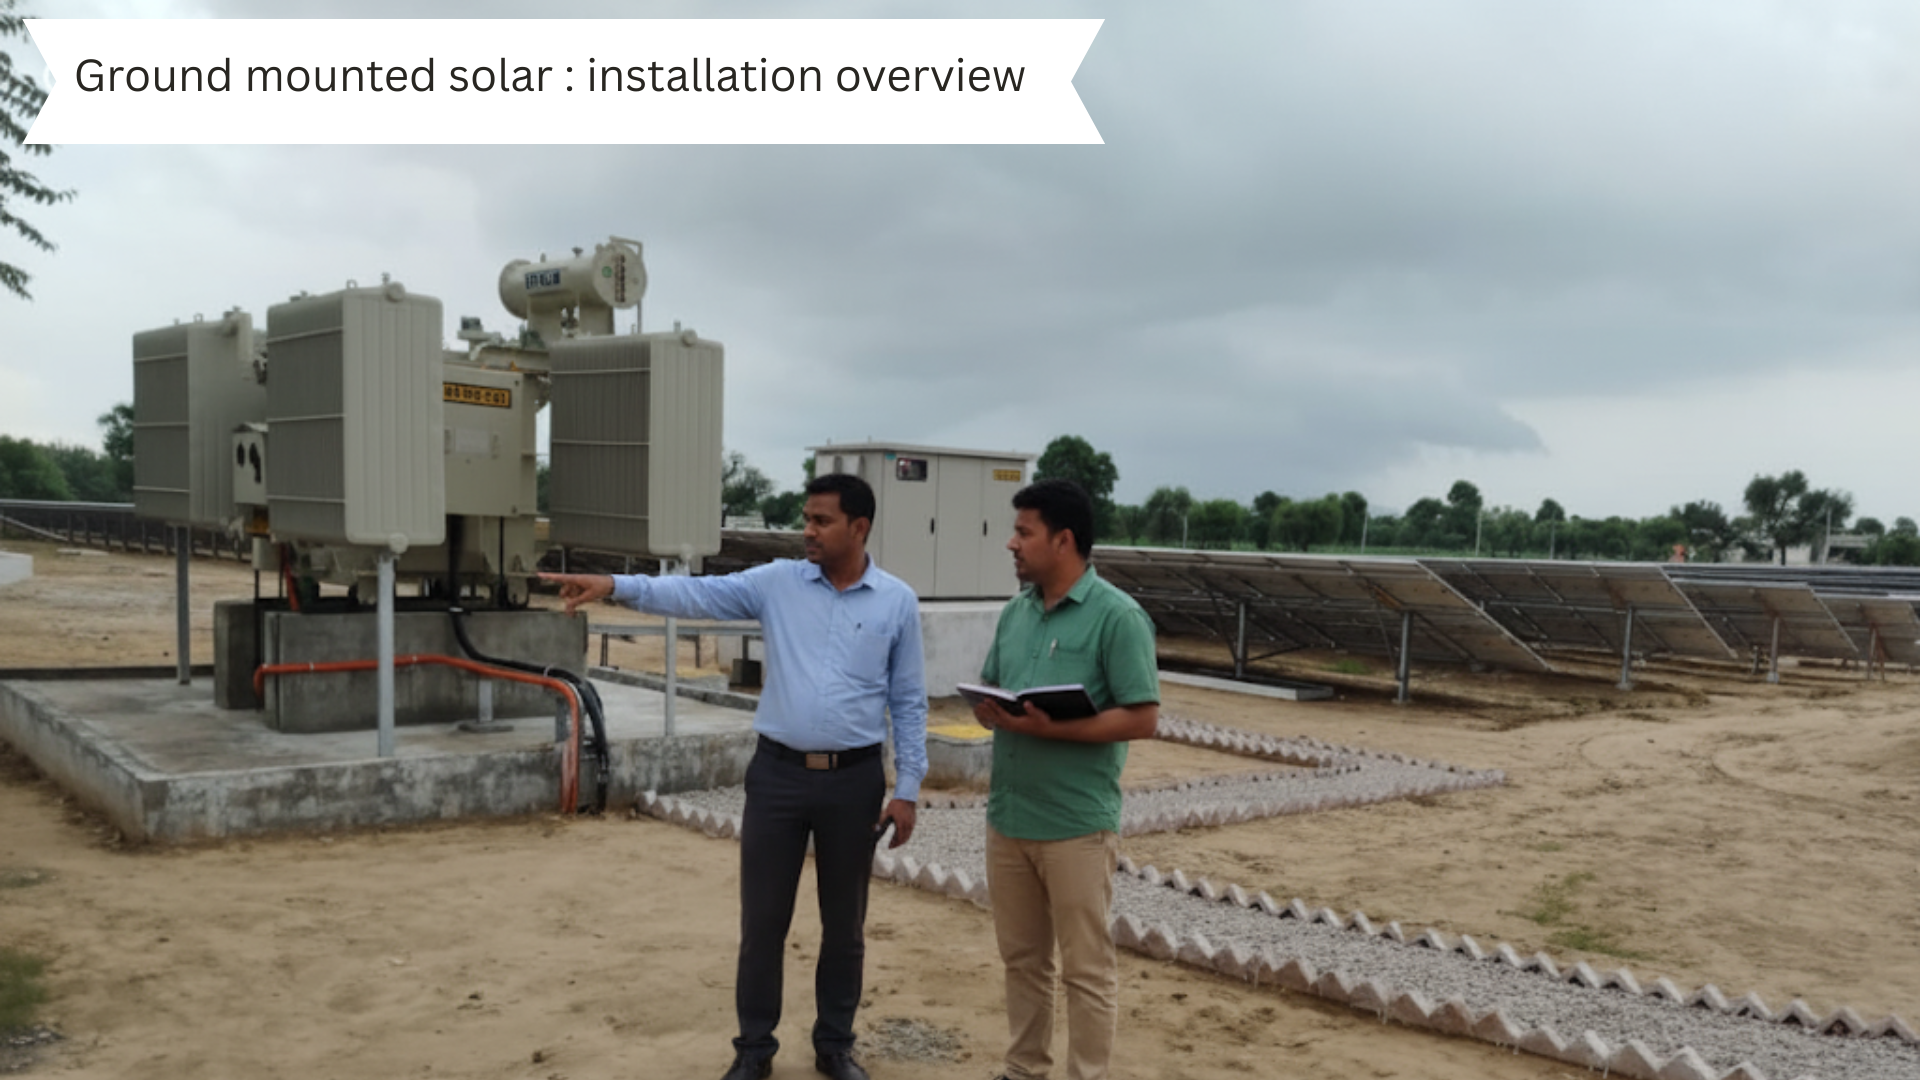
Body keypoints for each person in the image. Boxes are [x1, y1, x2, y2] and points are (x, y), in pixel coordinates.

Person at [542, 472, 926, 1080]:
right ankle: (753, 1050)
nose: (808, 531)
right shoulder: (777, 583)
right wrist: (616, 584)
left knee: (844, 926)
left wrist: (907, 790)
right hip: (777, 777)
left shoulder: (896, 601)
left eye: (821, 521)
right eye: (806, 518)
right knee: (764, 921)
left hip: (854, 783)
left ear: (859, 527)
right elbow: (696, 596)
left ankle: (834, 1045)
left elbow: (908, 702)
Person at [969, 478, 1160, 1080]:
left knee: (1085, 968)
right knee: (1023, 960)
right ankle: (1024, 1068)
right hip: (1010, 818)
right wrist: (989, 709)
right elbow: (994, 682)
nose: (1012, 544)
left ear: (1064, 540)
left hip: (1075, 826)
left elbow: (1142, 717)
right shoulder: (1017, 613)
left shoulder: (1118, 618)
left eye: (1024, 532)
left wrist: (1053, 732)